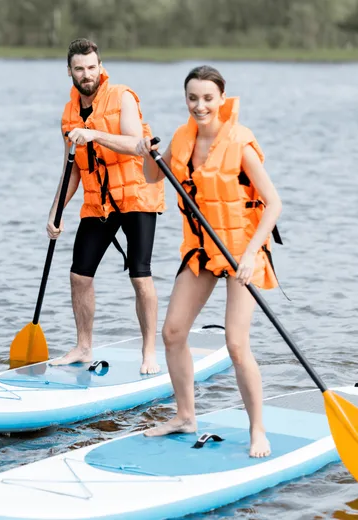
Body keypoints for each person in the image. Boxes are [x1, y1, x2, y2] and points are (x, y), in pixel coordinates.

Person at [135, 65, 283, 457]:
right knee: (172, 333)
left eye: (207, 98)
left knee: (236, 343)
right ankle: (186, 415)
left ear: (221, 99)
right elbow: (152, 176)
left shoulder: (241, 144)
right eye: (192, 98)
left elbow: (274, 204)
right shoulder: (183, 138)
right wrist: (145, 153)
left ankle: (258, 430)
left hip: (241, 254)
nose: (199, 105)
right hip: (203, 252)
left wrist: (251, 255)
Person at [46, 38, 165, 374]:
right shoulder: (68, 115)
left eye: (92, 67)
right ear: (69, 71)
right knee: (78, 276)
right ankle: (83, 347)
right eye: (80, 69)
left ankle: (149, 354)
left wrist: (94, 134)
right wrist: (55, 211)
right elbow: (72, 169)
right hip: (99, 202)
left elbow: (134, 145)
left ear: (101, 66)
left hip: (137, 197)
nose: (87, 74)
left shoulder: (122, 96)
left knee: (140, 276)